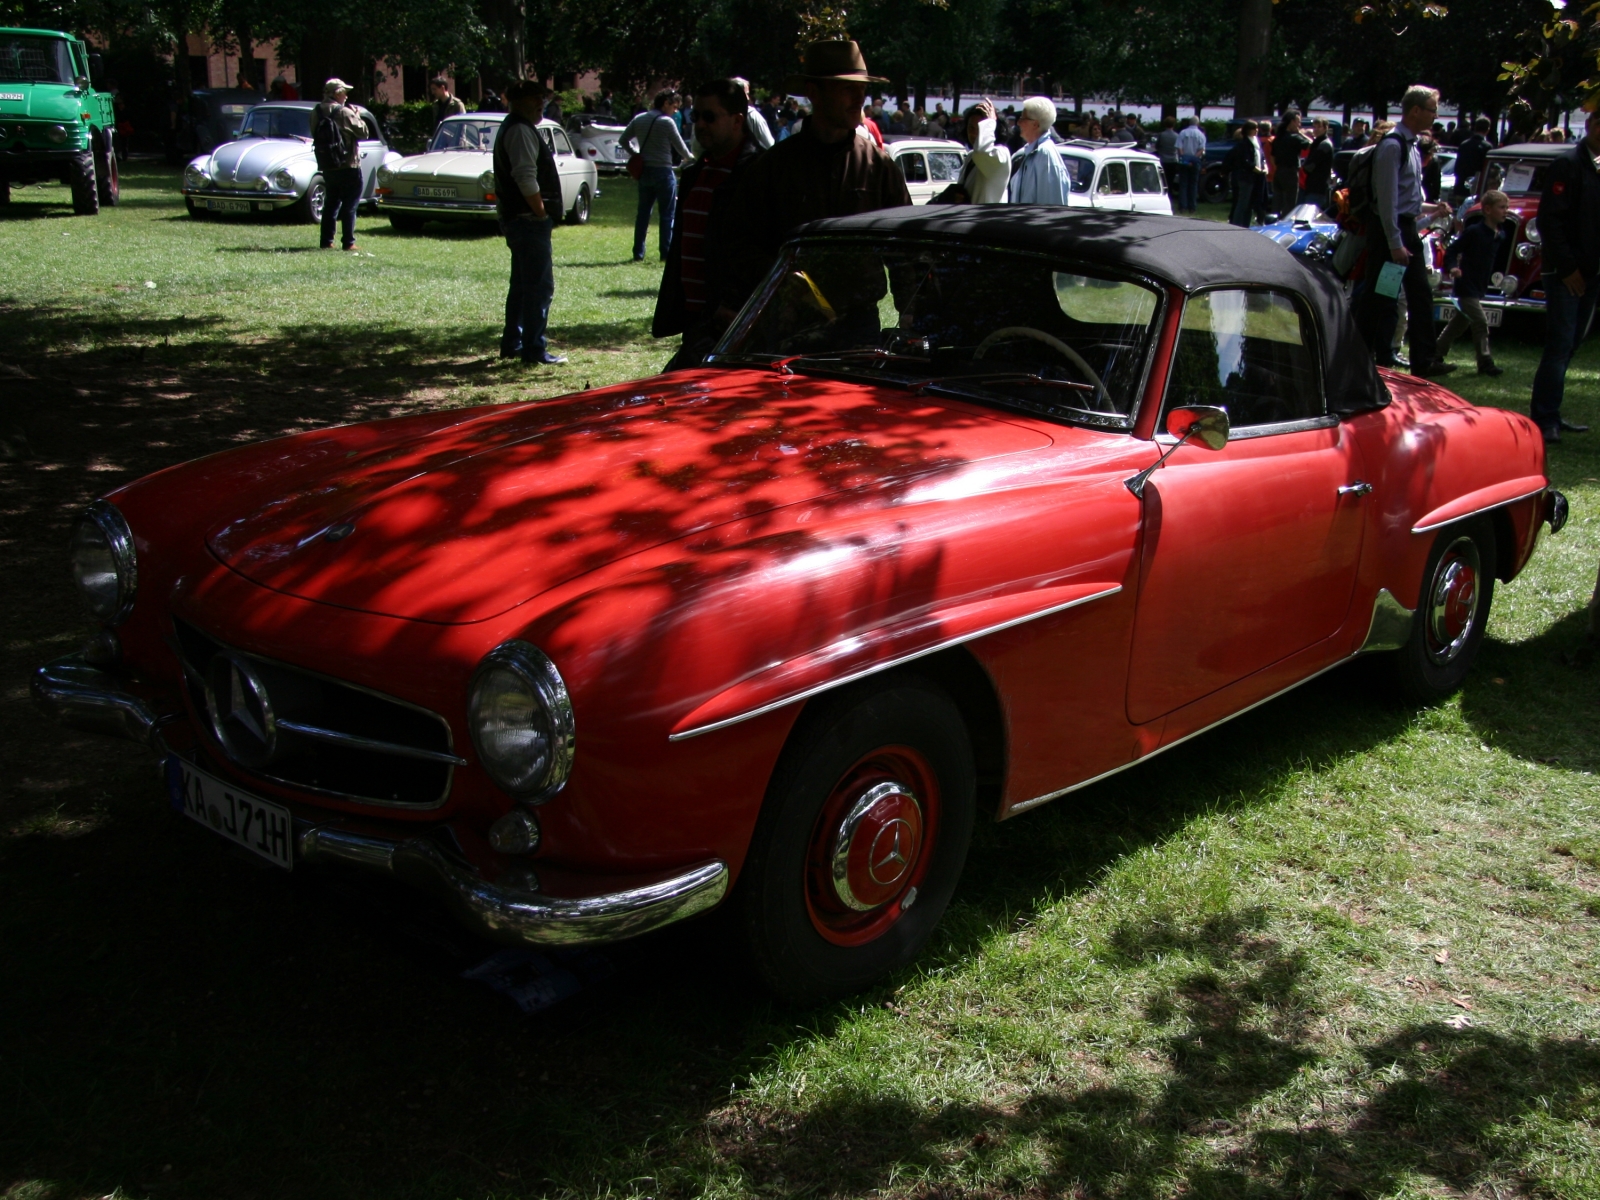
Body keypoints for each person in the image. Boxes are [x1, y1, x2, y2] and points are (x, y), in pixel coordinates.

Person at [725, 40, 911, 308]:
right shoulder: (774, 166)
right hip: (788, 323)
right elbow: (738, 246)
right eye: (848, 88)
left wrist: (912, 317)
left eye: (863, 89)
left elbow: (906, 254)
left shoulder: (878, 167)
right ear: (813, 92)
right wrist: (785, 279)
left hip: (858, 326)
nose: (859, 99)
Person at [654, 78, 766, 369]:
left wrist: (734, 304)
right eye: (696, 116)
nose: (700, 124)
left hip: (736, 320)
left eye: (709, 117)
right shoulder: (695, 174)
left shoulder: (759, 174)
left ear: (737, 120)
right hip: (697, 316)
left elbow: (764, 249)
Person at [1358, 85, 1455, 377]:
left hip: (1404, 231)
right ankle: (1362, 355)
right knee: (1380, 297)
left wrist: (1431, 209)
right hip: (1392, 234)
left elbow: (1406, 201)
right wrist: (1395, 243)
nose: (1435, 116)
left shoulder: (1411, 145)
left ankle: (1423, 360)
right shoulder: (1392, 146)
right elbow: (1387, 202)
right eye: (1432, 110)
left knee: (1419, 295)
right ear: (1415, 110)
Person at [1529, 108, 1600, 442]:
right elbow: (1550, 221)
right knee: (1559, 344)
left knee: (1572, 342)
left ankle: (1552, 410)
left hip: (1592, 271)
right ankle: (1544, 418)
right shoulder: (1569, 165)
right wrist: (1568, 268)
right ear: (1588, 126)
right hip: (1565, 273)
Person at [493, 79, 566, 366]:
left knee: (523, 285)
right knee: (538, 286)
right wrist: (540, 212)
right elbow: (525, 177)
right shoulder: (520, 131)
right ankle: (534, 349)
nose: (541, 104)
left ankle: (514, 342)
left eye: (543, 99)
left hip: (520, 220)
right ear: (518, 102)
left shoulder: (516, 127)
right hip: (526, 221)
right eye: (536, 99)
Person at [1437, 188, 1512, 376]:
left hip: (1479, 286)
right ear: (1487, 209)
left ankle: (1434, 354)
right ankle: (1485, 362)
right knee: (1480, 322)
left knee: (1458, 324)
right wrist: (1453, 267)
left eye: (1507, 207)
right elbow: (1452, 250)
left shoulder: (1499, 234)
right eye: (1501, 207)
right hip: (1466, 285)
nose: (1506, 211)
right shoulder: (1475, 232)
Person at [623, 90, 693, 262]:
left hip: (645, 171)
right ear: (666, 103)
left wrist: (636, 154)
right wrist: (692, 159)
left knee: (643, 214)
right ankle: (665, 253)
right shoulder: (666, 122)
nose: (676, 111)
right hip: (663, 171)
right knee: (667, 214)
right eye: (674, 107)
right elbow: (680, 147)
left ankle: (638, 253)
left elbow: (623, 139)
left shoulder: (639, 119)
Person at [312, 78, 365, 252]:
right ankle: (348, 242)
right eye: (344, 92)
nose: (346, 96)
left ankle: (326, 241)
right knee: (350, 204)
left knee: (331, 203)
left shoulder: (316, 112)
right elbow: (363, 132)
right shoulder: (344, 112)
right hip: (348, 164)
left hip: (328, 165)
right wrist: (356, 115)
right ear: (337, 93)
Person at [944, 99, 1011, 202]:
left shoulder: (1001, 154)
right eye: (971, 128)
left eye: (980, 129)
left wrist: (990, 121)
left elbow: (982, 151)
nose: (974, 134)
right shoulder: (971, 156)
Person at [1009, 96, 1069, 205]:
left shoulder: (1046, 155)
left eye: (1022, 119)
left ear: (1035, 124)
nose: (1018, 123)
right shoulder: (1030, 151)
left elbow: (1050, 210)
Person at [1225, 121, 1265, 227]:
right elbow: (1245, 161)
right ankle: (1237, 224)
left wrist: (1264, 167)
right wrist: (1255, 168)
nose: (1256, 130)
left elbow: (1261, 156)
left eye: (1257, 128)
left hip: (1256, 177)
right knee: (1243, 202)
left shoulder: (1257, 142)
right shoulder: (1243, 144)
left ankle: (1246, 224)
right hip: (1246, 177)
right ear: (1247, 130)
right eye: (1253, 128)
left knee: (1251, 203)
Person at [1272, 111, 1309, 217]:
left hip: (1279, 171)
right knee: (1290, 202)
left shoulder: (1278, 138)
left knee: (1277, 201)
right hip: (1291, 172)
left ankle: (1273, 221)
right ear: (1292, 122)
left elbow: (1272, 156)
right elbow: (1311, 144)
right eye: (1298, 122)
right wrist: (1301, 133)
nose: (1299, 125)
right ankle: (1286, 223)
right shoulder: (1295, 138)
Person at [1452, 116, 1493, 202]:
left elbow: (1458, 167)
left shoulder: (1464, 144)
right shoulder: (1487, 146)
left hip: (1461, 187)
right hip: (1478, 189)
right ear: (1488, 130)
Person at [1174, 116, 1206, 214]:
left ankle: (1182, 206)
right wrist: (1194, 158)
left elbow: (1179, 147)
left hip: (1185, 159)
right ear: (1198, 123)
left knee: (1183, 183)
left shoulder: (1183, 133)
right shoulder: (1201, 135)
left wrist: (1184, 158)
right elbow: (1201, 149)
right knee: (1193, 184)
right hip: (1195, 159)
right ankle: (1192, 207)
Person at [1301, 117, 1334, 212]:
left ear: (1325, 128)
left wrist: (1304, 164)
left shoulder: (1324, 145)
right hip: (1311, 185)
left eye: (1319, 127)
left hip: (1318, 187)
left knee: (1311, 215)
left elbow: (1309, 166)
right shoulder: (1317, 143)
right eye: (1314, 127)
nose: (1315, 129)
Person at [1155, 116, 1180, 207]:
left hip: (1163, 159)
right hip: (1173, 160)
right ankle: (1170, 196)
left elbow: (1157, 146)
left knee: (1162, 179)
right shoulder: (1176, 136)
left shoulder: (1162, 135)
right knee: (1170, 180)